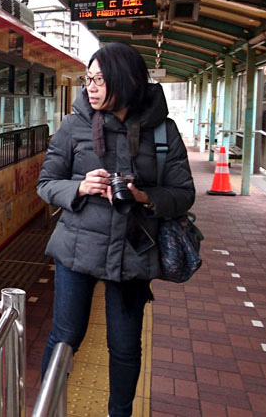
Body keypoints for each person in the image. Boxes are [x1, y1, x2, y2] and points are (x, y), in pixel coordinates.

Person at [36, 42, 195, 417]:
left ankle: (119, 413)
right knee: (65, 338)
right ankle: (47, 408)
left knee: (124, 345)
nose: (89, 87)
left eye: (99, 79)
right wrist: (79, 186)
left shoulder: (163, 132)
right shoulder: (73, 125)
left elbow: (183, 193)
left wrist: (144, 195)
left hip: (134, 252)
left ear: (124, 81)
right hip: (76, 249)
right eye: (87, 79)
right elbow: (46, 182)